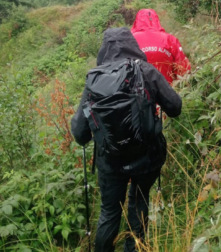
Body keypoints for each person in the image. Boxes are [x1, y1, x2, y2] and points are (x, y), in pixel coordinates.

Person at [71, 27, 182, 252]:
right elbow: (175, 107)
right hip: (147, 157)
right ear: (133, 45)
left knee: (110, 212)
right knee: (139, 203)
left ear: (104, 50)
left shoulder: (94, 80)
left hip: (110, 162)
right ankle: (134, 248)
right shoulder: (146, 70)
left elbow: (80, 134)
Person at [131, 9, 191, 85]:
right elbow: (183, 69)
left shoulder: (130, 39)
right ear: (156, 20)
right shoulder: (170, 39)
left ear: (136, 22)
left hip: (137, 92)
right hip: (166, 91)